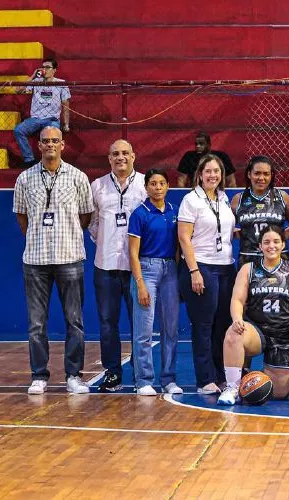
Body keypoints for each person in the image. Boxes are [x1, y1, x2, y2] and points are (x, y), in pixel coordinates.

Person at [13, 126, 94, 394]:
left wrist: (68, 236)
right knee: (36, 323)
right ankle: (39, 375)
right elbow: (22, 216)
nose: (50, 145)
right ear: (38, 146)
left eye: (55, 141)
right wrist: (38, 237)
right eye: (45, 141)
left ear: (63, 145)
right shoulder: (25, 179)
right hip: (35, 260)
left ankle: (73, 376)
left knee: (75, 321)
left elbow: (85, 216)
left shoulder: (78, 177)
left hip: (70, 257)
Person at [218, 225, 289, 404]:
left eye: (276, 242)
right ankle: (232, 387)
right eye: (266, 242)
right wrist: (237, 319)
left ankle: (255, 374)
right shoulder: (248, 269)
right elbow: (237, 300)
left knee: (279, 393)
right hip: (256, 331)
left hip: (283, 335)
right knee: (234, 333)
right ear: (260, 247)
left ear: (283, 245)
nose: (271, 246)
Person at [88, 140, 146, 392]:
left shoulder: (146, 183)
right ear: (108, 158)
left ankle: (142, 372)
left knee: (140, 321)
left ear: (134, 155)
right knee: (107, 322)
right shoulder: (97, 186)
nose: (120, 157)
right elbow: (91, 224)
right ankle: (112, 372)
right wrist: (106, 240)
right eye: (115, 154)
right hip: (106, 264)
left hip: (138, 267)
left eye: (125, 153)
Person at [178, 154, 237, 394]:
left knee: (223, 324)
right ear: (200, 175)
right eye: (208, 171)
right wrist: (194, 271)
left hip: (226, 266)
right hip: (201, 265)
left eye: (217, 171)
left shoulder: (223, 198)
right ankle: (205, 379)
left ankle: (221, 374)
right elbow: (184, 237)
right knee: (204, 325)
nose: (213, 175)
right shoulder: (190, 200)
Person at [128, 169, 182, 396]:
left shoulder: (174, 212)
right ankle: (143, 380)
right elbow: (132, 253)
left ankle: (168, 378)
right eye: (153, 183)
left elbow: (180, 246)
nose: (158, 187)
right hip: (147, 269)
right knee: (144, 329)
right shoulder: (139, 214)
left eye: (161, 183)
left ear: (168, 186)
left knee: (170, 328)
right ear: (146, 187)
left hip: (170, 270)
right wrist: (140, 283)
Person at [231, 155, 289, 267]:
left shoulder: (282, 197)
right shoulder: (238, 199)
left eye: (266, 174)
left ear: (271, 175)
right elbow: (226, 228)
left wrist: (279, 237)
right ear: (249, 174)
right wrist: (245, 234)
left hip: (277, 258)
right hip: (248, 258)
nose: (261, 178)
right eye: (257, 173)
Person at [14, 58, 70, 167]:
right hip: (35, 118)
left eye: (48, 67)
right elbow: (18, 90)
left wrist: (66, 124)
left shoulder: (61, 84)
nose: (44, 69)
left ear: (54, 70)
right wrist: (32, 76)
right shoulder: (36, 81)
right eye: (43, 67)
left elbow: (66, 104)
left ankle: (55, 162)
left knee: (54, 136)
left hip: (51, 119)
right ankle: (29, 160)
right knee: (18, 130)